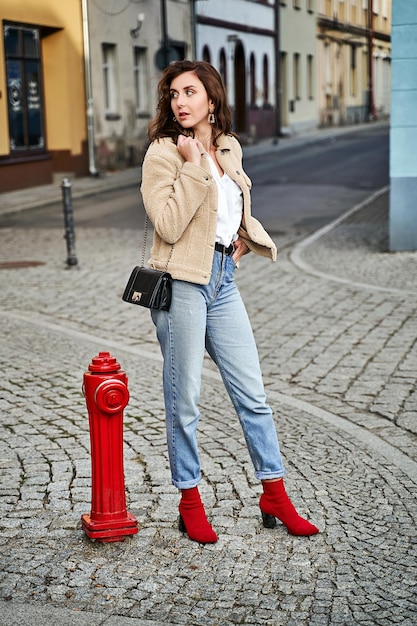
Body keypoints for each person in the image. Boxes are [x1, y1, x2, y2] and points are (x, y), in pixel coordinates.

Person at [140, 60, 319, 543]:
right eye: (173, 94)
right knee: (186, 401)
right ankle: (190, 499)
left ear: (212, 100)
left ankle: (274, 493)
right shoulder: (163, 154)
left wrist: (240, 237)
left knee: (254, 396)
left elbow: (231, 204)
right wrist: (194, 167)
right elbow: (170, 225)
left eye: (190, 92)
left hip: (222, 282)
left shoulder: (229, 148)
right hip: (181, 285)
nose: (180, 101)